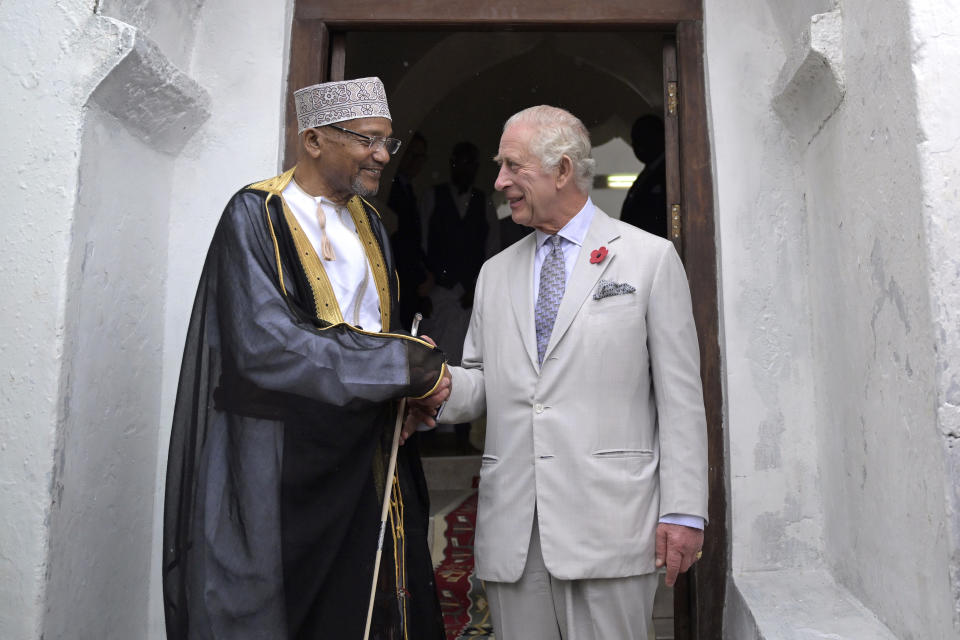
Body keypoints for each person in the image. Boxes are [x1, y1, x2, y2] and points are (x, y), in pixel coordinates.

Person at [162, 77, 450, 640]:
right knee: (292, 612)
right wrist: (406, 366)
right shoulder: (255, 213)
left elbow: (380, 331)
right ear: (314, 140)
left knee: (372, 603)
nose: (383, 156)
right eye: (368, 140)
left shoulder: (370, 223)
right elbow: (265, 344)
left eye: (387, 141)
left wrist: (406, 388)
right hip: (285, 459)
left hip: (367, 452)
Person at [409, 105, 708, 639]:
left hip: (611, 527)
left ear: (563, 171)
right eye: (499, 167)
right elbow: (480, 382)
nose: (499, 182)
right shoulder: (495, 273)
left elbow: (680, 399)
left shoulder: (649, 259)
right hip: (515, 536)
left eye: (513, 167)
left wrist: (684, 513)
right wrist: (437, 382)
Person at [387, 131, 432, 330]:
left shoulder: (409, 190)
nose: (415, 161)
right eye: (411, 154)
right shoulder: (392, 189)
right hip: (400, 277)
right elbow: (401, 240)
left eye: (420, 156)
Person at [620, 114, 668, 238]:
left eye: (644, 138)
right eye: (634, 140)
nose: (637, 146)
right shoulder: (649, 172)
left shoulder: (668, 172)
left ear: (659, 137)